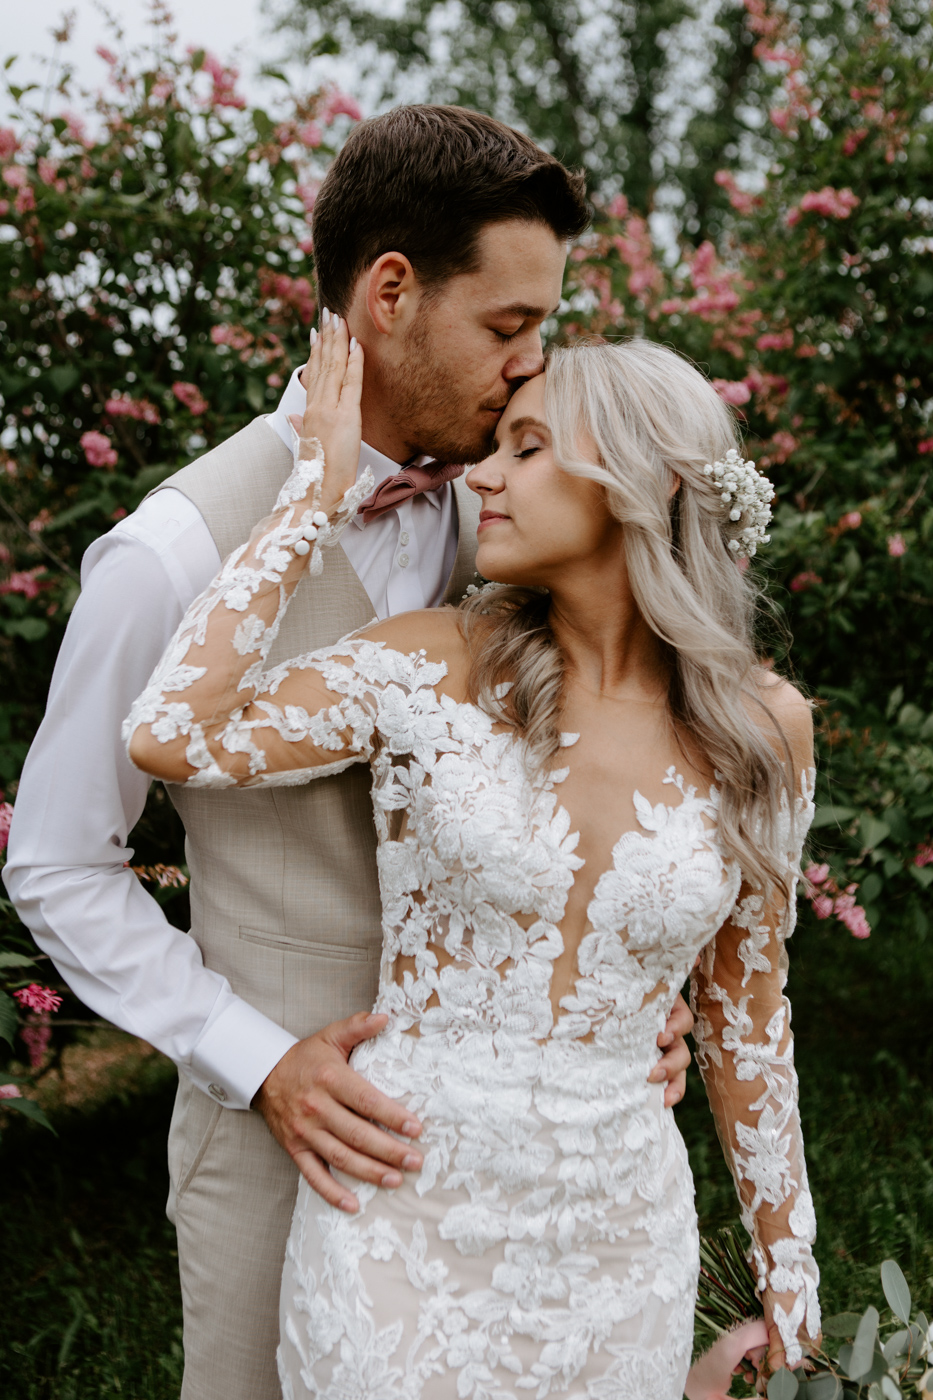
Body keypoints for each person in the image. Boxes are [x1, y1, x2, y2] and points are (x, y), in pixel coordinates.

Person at [2, 107, 694, 1400]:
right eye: (509, 329)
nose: (533, 367)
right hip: (289, 1150)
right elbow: (55, 864)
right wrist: (254, 1059)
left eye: (543, 329)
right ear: (388, 295)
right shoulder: (176, 553)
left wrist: (626, 998)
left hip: (518, 1183)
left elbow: (606, 786)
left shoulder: (515, 512)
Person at [126, 317, 822, 1398]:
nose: (483, 476)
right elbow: (174, 732)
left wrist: (790, 1278)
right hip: (399, 1212)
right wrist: (312, 498)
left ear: (634, 481)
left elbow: (748, 1021)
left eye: (527, 447)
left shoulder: (763, 726)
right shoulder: (435, 664)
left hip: (620, 1241)